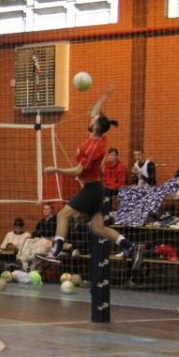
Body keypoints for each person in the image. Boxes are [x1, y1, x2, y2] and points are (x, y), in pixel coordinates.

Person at [38, 85, 142, 271]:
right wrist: (105, 94)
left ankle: (55, 252)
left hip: (91, 189)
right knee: (98, 228)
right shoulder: (96, 136)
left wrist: (55, 169)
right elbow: (95, 111)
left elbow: (78, 171)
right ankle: (132, 247)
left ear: (96, 127)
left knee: (63, 214)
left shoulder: (96, 147)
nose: (92, 119)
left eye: (94, 120)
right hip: (95, 188)